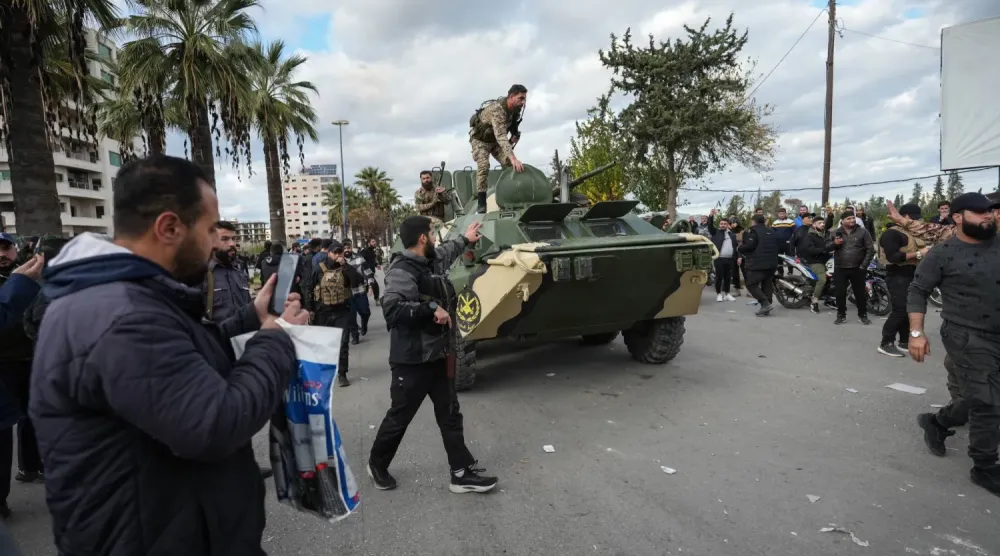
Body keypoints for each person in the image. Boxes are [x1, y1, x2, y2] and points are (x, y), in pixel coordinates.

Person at [28, 154, 309, 554]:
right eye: (211, 229)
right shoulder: (122, 317)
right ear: (170, 227)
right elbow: (213, 423)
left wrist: (252, 319)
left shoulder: (127, 299)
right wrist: (276, 338)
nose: (216, 243)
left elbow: (182, 364)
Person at [368, 216, 498, 494]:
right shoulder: (401, 271)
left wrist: (467, 238)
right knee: (399, 417)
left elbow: (448, 250)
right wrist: (430, 310)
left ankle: (461, 474)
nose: (436, 238)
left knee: (450, 414)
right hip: (412, 361)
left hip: (439, 356)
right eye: (432, 233)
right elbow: (392, 311)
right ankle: (376, 464)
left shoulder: (429, 260)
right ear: (423, 238)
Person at [906, 192, 1000, 497]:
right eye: (979, 213)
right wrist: (917, 333)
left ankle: (937, 422)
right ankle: (984, 466)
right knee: (988, 402)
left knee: (982, 395)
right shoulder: (942, 254)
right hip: (966, 335)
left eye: (989, 211)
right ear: (958, 217)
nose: (988, 216)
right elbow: (918, 290)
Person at [0, 249, 44, 519]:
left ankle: (30, 466)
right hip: (3, 363)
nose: (2, 254)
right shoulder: (21, 280)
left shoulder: (31, 276)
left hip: (28, 358)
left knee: (32, 415)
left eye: (6, 247)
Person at [876, 203, 928, 358]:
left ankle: (904, 341)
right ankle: (886, 343)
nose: (917, 222)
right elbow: (894, 258)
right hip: (897, 275)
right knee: (899, 309)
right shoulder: (892, 234)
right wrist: (920, 253)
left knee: (909, 309)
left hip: (912, 274)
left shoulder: (911, 232)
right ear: (905, 216)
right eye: (914, 218)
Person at [311, 241, 364, 387]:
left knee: (343, 344)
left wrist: (345, 266)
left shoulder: (345, 269)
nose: (338, 255)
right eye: (335, 252)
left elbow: (357, 281)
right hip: (322, 312)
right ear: (329, 253)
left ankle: (342, 374)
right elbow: (308, 287)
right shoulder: (319, 269)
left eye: (340, 252)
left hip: (342, 312)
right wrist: (309, 309)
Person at [468, 84, 527, 213]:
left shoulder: (514, 110)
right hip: (481, 141)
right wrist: (513, 158)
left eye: (524, 99)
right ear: (511, 97)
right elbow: (501, 135)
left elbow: (512, 126)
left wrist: (515, 135)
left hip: (495, 141)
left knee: (510, 165)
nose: (523, 102)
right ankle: (481, 204)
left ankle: (514, 196)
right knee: (483, 166)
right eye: (520, 98)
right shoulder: (497, 110)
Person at [826, 211, 874, 325]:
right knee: (840, 293)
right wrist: (835, 243)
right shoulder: (834, 233)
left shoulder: (863, 232)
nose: (852, 220)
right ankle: (841, 315)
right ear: (842, 221)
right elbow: (826, 248)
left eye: (853, 218)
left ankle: (862, 315)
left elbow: (870, 250)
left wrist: (863, 266)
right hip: (840, 268)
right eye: (849, 218)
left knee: (860, 293)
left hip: (858, 268)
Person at [203, 220, 252, 322]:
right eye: (225, 239)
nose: (232, 244)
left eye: (234, 239)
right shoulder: (200, 274)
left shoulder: (239, 271)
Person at [737, 215, 779, 316]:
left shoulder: (754, 231)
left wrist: (740, 248)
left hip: (758, 264)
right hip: (772, 263)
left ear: (754, 221)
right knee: (767, 284)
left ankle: (765, 304)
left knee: (751, 284)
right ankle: (767, 306)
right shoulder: (772, 231)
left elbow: (750, 246)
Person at [797, 216, 832, 314]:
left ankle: (829, 299)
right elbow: (810, 250)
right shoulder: (810, 235)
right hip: (815, 261)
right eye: (819, 223)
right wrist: (824, 250)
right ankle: (814, 301)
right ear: (814, 225)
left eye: (823, 223)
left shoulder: (824, 234)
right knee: (822, 279)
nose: (822, 224)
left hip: (826, 259)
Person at [343, 240, 371, 344]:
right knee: (351, 317)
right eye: (344, 248)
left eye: (348, 248)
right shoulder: (339, 262)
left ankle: (364, 324)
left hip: (360, 291)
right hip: (347, 294)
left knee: (365, 312)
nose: (347, 250)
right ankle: (355, 336)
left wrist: (371, 284)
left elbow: (368, 271)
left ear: (351, 248)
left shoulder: (359, 259)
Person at [711, 218, 738, 302]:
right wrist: (711, 216)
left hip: (730, 259)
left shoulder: (732, 235)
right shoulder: (716, 233)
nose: (723, 225)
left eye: (724, 224)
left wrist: (738, 257)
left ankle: (727, 294)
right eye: (721, 223)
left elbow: (735, 247)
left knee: (728, 277)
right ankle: (719, 294)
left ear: (727, 225)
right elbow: (710, 226)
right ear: (719, 224)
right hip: (719, 259)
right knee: (719, 277)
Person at [360, 238, 383, 305]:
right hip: (366, 273)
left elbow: (372, 261)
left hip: (371, 272)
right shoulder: (365, 251)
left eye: (375, 242)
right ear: (369, 243)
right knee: (375, 286)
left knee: (367, 287)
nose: (374, 243)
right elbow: (360, 259)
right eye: (373, 242)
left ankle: (363, 301)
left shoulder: (372, 251)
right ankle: (376, 300)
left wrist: (376, 265)